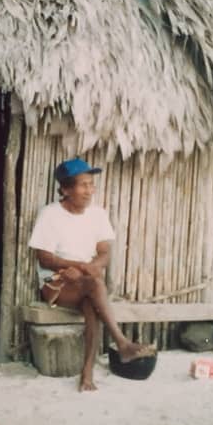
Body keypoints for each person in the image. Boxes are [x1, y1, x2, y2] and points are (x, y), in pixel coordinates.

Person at [28, 159, 154, 391]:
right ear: (66, 189)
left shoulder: (97, 214)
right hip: (56, 284)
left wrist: (88, 268)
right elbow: (44, 258)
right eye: (83, 185)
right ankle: (123, 343)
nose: (89, 191)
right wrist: (81, 266)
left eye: (91, 185)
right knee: (95, 284)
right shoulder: (50, 214)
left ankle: (87, 374)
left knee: (91, 304)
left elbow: (105, 253)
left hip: (85, 282)